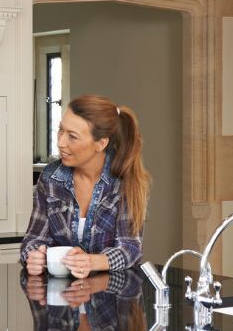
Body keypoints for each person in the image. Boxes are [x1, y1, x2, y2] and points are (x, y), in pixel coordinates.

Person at [21, 94, 150, 278]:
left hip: (109, 298)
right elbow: (33, 239)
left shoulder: (123, 182)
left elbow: (130, 248)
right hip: (58, 299)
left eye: (72, 137)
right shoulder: (50, 178)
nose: (60, 142)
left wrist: (92, 261)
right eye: (60, 130)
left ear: (101, 143)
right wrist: (33, 256)